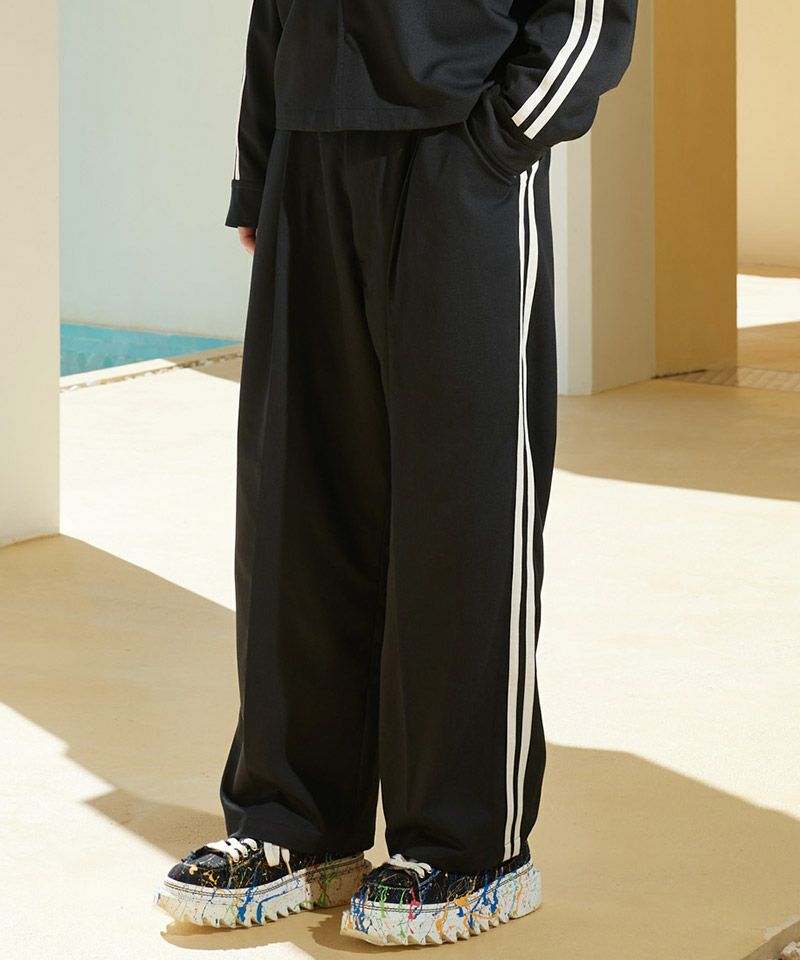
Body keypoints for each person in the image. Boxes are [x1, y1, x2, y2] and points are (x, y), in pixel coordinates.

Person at [155, 0, 638, 946]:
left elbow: (587, 12)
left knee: (461, 506)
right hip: (310, 150)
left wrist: (502, 139)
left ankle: (467, 840)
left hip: (459, 149)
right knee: (296, 507)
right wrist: (264, 162)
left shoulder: (480, 148)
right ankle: (296, 821)